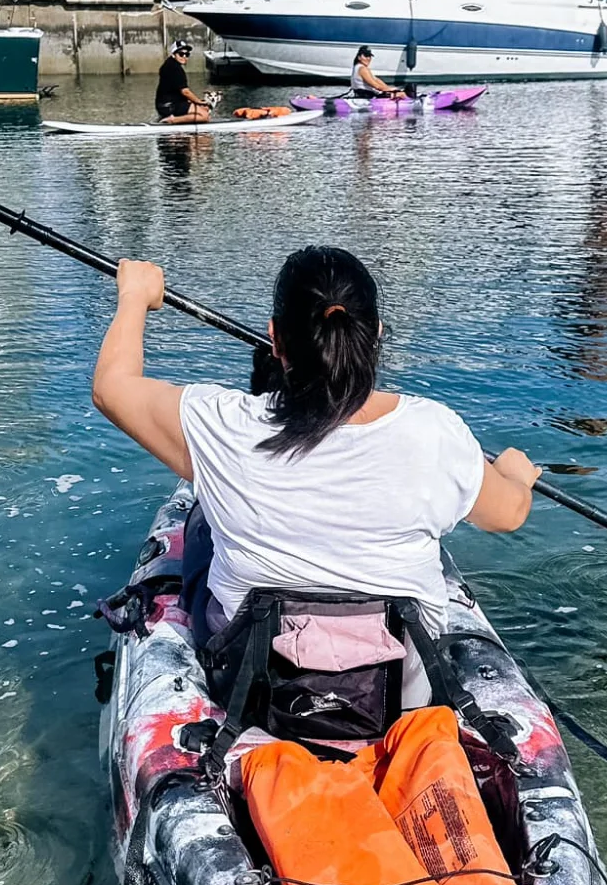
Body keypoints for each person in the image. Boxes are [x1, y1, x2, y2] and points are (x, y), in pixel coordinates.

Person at [92, 245, 541, 643]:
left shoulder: (219, 423)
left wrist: (135, 297)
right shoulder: (437, 430)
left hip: (257, 683)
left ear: (274, 338)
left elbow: (112, 388)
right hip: (400, 684)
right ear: (377, 333)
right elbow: (508, 514)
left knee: (202, 524)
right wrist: (516, 476)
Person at [155, 39, 211, 123]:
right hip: (169, 105)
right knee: (204, 116)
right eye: (181, 54)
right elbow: (185, 92)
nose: (184, 57)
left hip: (164, 105)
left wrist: (198, 103)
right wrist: (199, 102)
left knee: (204, 108)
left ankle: (178, 120)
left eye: (187, 54)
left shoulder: (168, 64)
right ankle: (172, 120)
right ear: (173, 55)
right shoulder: (176, 68)